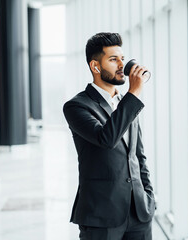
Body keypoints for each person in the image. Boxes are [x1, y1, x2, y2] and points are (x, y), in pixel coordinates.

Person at [63, 32, 155, 240]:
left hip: (139, 213)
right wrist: (133, 94)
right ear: (95, 66)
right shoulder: (76, 106)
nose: (122, 65)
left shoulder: (126, 104)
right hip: (101, 216)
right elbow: (107, 139)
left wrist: (148, 197)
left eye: (122, 58)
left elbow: (138, 156)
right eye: (113, 59)